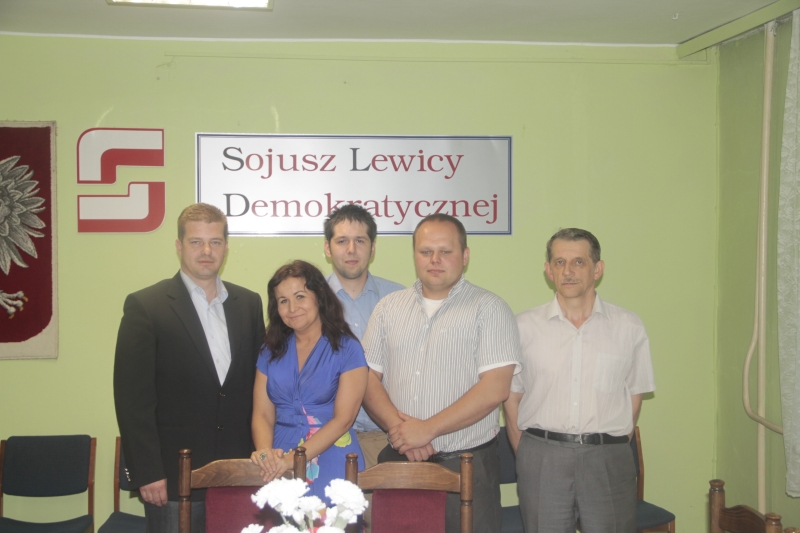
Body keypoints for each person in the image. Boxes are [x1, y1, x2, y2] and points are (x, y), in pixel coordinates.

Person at [362, 214, 522, 533]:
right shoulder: (388, 308)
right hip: (401, 462)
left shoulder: (490, 308)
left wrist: (428, 429)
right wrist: (402, 431)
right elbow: (365, 378)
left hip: (468, 465)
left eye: (445, 251)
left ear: (465, 255)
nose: (434, 259)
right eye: (426, 251)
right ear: (415, 255)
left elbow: (495, 388)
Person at [114, 203, 265, 533]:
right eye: (196, 242)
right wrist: (148, 471)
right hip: (172, 478)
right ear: (179, 246)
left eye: (215, 241)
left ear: (226, 246)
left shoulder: (249, 304)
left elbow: (259, 387)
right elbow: (132, 401)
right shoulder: (146, 306)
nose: (206, 251)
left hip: (238, 473)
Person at [504, 228, 656, 533]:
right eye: (559, 262)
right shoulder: (522, 327)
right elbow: (511, 398)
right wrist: (530, 455)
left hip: (608, 460)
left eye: (578, 262)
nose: (568, 271)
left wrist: (607, 447)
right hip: (542, 458)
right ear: (548, 271)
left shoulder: (628, 327)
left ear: (597, 269)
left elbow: (634, 396)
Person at [250, 260, 368, 501]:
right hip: (277, 462)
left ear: (319, 297)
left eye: (300, 297)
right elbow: (262, 415)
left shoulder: (348, 349)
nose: (292, 308)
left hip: (333, 458)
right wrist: (265, 455)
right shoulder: (269, 351)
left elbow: (343, 420)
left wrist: (292, 459)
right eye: (283, 301)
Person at [323, 204, 404, 470]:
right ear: (327, 248)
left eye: (360, 240)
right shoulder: (309, 302)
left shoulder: (401, 299)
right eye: (342, 241)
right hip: (328, 440)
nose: (351, 250)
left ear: (373, 248)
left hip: (390, 439)